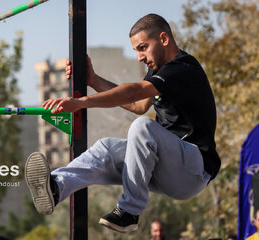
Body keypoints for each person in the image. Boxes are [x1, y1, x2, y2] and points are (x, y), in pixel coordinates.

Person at [25, 13, 220, 233]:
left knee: (142, 127)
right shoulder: (159, 70)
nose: (139, 57)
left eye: (143, 48)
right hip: (169, 169)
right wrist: (94, 81)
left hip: (194, 168)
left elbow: (135, 91)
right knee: (105, 148)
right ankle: (57, 186)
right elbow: (138, 104)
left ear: (164, 39)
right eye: (136, 50)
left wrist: (81, 102)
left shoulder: (183, 68)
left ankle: (129, 211)